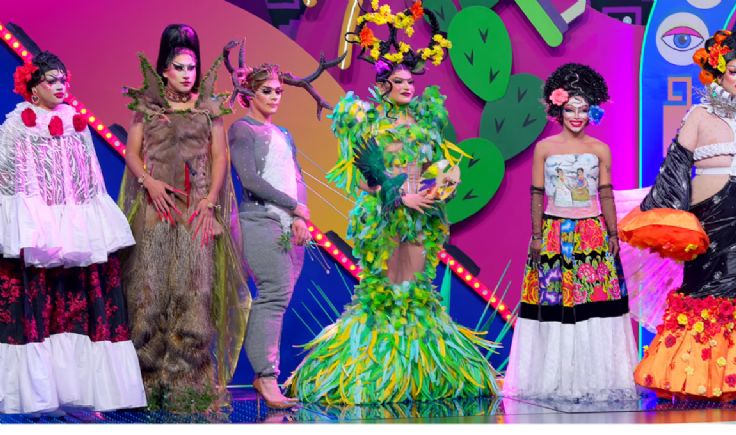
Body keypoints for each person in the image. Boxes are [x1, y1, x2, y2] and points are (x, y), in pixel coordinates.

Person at [285, 1, 498, 405]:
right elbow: (366, 179)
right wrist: (399, 195)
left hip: (419, 216)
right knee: (383, 292)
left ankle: (415, 376)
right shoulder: (367, 123)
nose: (407, 87)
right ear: (383, 86)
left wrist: (442, 184)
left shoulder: (425, 124)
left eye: (409, 82)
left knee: (413, 292)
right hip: (383, 215)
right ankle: (374, 375)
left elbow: (431, 168)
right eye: (399, 82)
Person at [623, 30, 736, 400]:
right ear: (718, 73)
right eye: (733, 71)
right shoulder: (700, 115)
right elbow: (675, 166)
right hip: (709, 218)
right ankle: (696, 377)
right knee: (702, 290)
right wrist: (670, 213)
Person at [0, 50, 145, 413]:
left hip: (76, 228)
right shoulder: (16, 126)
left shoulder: (75, 123)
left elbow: (90, 179)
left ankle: (81, 391)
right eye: (52, 80)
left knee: (78, 302)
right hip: (37, 228)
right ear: (33, 87)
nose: (60, 86)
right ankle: (38, 393)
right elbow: (8, 178)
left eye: (64, 80)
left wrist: (86, 226)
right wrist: (28, 224)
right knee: (38, 304)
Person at [119, 24, 250, 412]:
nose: (187, 74)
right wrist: (148, 182)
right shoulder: (148, 107)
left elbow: (220, 157)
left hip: (196, 212)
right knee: (149, 297)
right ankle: (145, 384)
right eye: (179, 67)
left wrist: (209, 201)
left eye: (192, 67)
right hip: (156, 211)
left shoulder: (209, 109)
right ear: (164, 69)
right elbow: (132, 152)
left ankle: (188, 387)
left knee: (194, 296)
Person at [503, 63, 637, 401]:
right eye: (570, 109)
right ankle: (555, 380)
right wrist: (536, 236)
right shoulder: (545, 148)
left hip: (592, 233)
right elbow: (537, 193)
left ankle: (595, 381)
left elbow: (605, 193)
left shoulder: (600, 149)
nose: (576, 116)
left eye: (583, 109)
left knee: (595, 303)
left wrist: (613, 234)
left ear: (592, 112)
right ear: (558, 110)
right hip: (553, 233)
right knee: (555, 303)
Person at [223, 40, 341, 408]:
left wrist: (300, 216)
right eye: (266, 91)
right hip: (259, 219)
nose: (274, 97)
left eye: (278, 91)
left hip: (288, 225)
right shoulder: (242, 130)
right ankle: (265, 376)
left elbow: (296, 177)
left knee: (280, 296)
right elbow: (250, 179)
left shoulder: (284, 134)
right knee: (273, 293)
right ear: (250, 93)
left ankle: (266, 376)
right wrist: (293, 207)